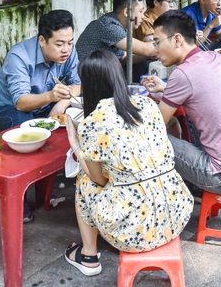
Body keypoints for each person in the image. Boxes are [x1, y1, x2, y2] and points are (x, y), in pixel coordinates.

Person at [64, 49, 193, 277]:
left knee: (84, 178)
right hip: (176, 215)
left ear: (89, 85)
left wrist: (75, 142)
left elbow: (99, 180)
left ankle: (89, 255)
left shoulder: (92, 123)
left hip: (135, 233)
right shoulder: (148, 105)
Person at [141, 11, 221, 195]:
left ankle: (164, 198)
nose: (155, 49)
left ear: (177, 39)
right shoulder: (214, 58)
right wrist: (166, 88)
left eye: (158, 42)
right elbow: (199, 92)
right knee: (188, 118)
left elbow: (155, 126)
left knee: (149, 140)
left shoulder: (182, 74)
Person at [0, 9, 81, 131]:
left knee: (78, 112)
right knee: (25, 124)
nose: (66, 49)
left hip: (44, 105)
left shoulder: (69, 51)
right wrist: (51, 96)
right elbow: (21, 103)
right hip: (8, 109)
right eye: (59, 44)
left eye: (70, 43)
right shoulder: (19, 57)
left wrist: (61, 104)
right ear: (42, 40)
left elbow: (77, 85)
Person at [75, 0, 157, 74]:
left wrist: (147, 56)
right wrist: (166, 42)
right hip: (87, 77)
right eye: (140, 11)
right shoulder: (109, 26)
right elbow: (147, 49)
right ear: (126, 12)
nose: (142, 16)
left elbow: (123, 58)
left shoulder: (117, 23)